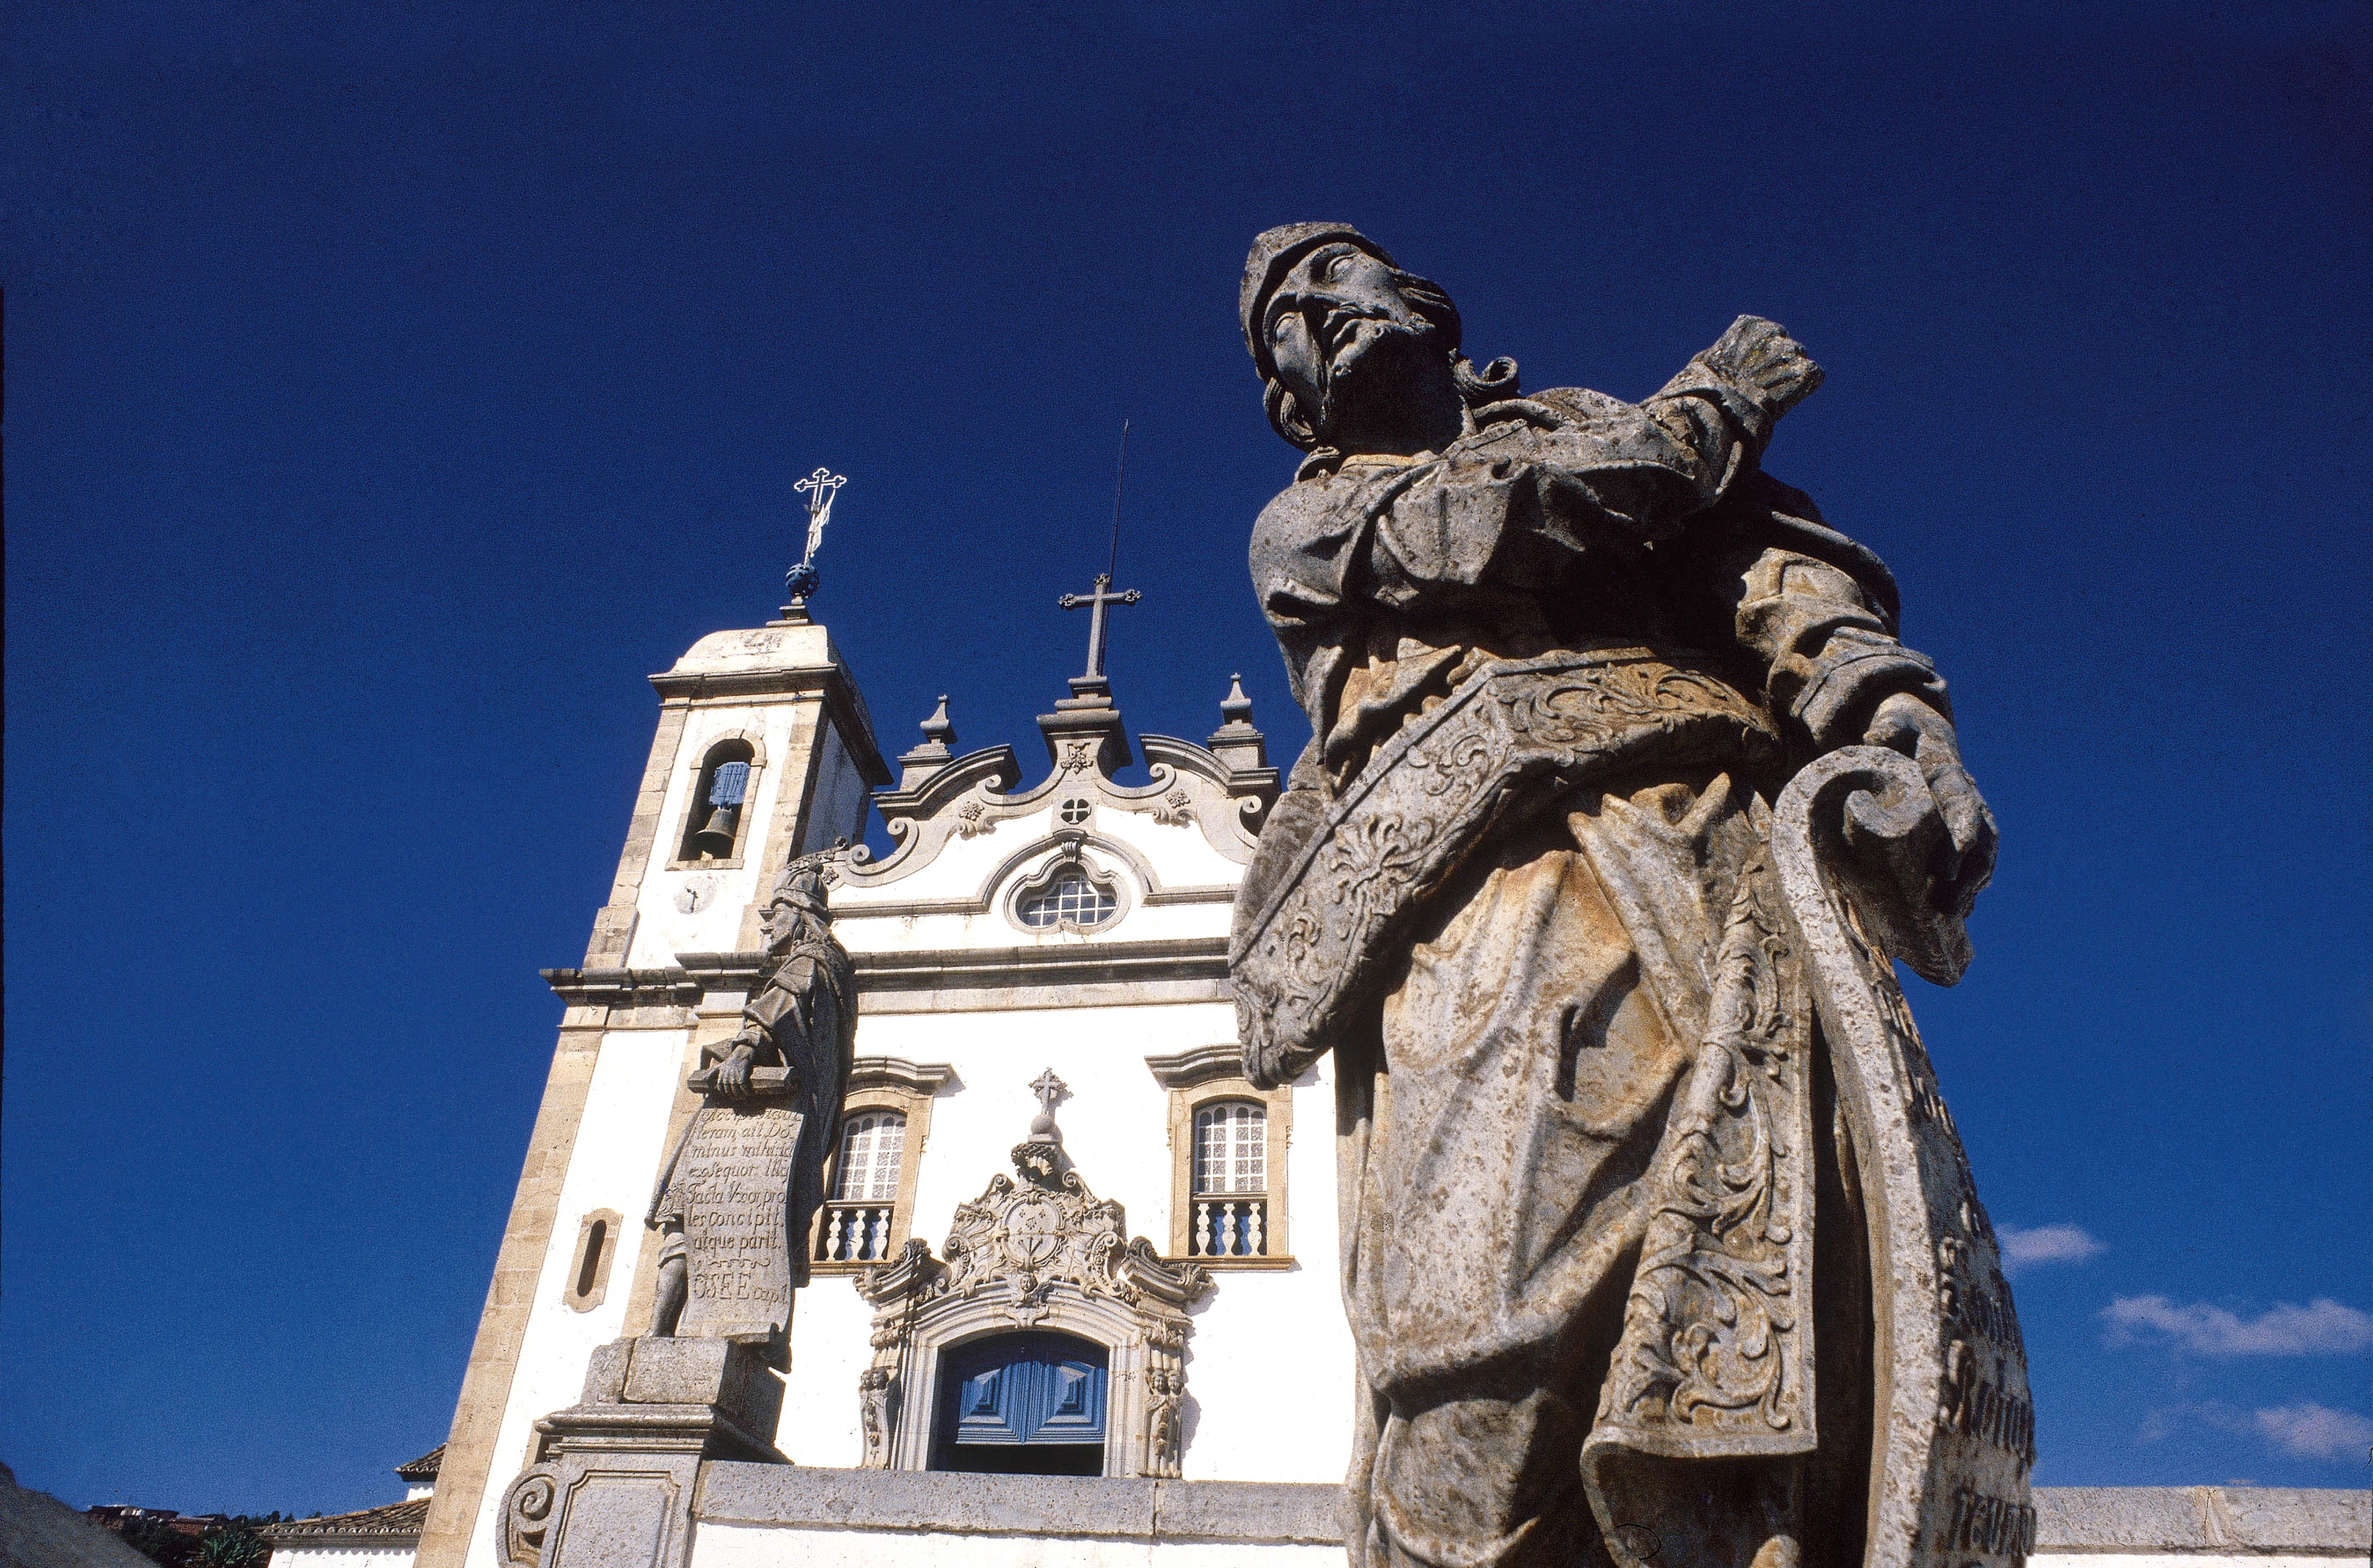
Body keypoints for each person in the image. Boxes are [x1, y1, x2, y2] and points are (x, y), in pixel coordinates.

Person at [1230, 225, 1997, 1568]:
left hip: (1708, 849)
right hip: (1479, 900)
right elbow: (1494, 525)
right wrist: (1713, 409)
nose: (1317, 309)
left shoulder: (1603, 430)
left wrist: (1887, 712)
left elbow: (1767, 576)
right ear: (1288, 394)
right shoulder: (1308, 521)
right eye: (1284, 317)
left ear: (1426, 304)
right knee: (1480, 1332)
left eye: (1338, 275)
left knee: (1765, 1261)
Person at [647, 851, 855, 1340]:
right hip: (775, 1127)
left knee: (691, 1220)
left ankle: (662, 1331)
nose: (765, 929)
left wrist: (744, 1049)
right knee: (712, 1221)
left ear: (800, 919)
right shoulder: (825, 967)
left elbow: (780, 1004)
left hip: (768, 1123)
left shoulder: (813, 961)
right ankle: (682, 1330)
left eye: (774, 915)